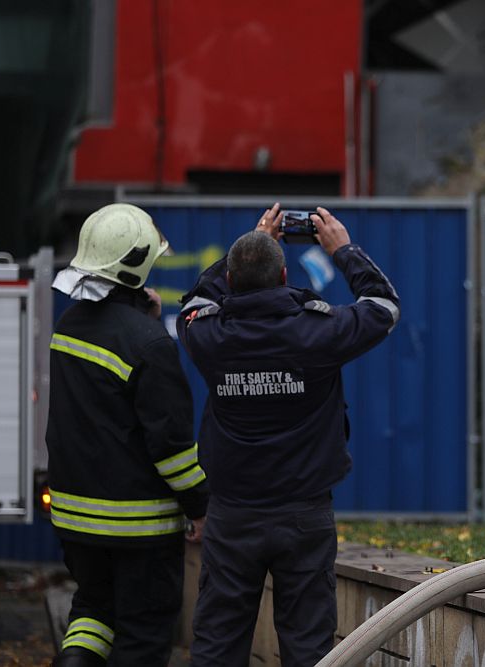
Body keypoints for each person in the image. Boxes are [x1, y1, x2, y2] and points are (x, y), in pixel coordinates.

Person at [177, 204, 400, 666]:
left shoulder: (209, 337)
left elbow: (196, 302)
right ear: (284, 276)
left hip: (232, 514)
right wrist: (343, 250)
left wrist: (254, 242)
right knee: (308, 647)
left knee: (217, 644)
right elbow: (383, 306)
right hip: (304, 515)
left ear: (232, 281)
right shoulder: (319, 332)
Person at [46, 203, 208, 667]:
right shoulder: (151, 344)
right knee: (143, 632)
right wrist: (199, 506)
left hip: (76, 518)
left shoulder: (68, 327)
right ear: (136, 266)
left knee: (94, 612)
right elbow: (172, 449)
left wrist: (143, 317)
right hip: (139, 526)